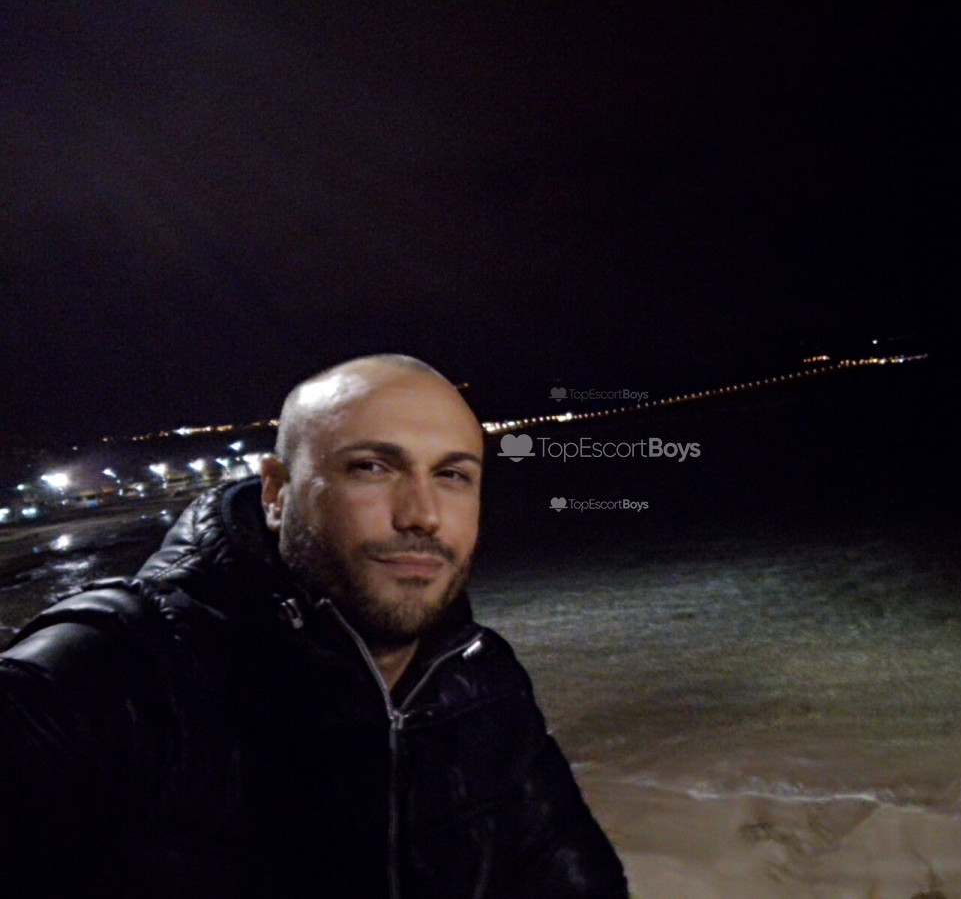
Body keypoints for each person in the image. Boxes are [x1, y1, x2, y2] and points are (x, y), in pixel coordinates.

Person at [0, 355, 628, 898]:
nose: (423, 515)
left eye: (452, 475)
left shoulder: (481, 680)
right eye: (371, 467)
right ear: (276, 493)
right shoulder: (102, 676)